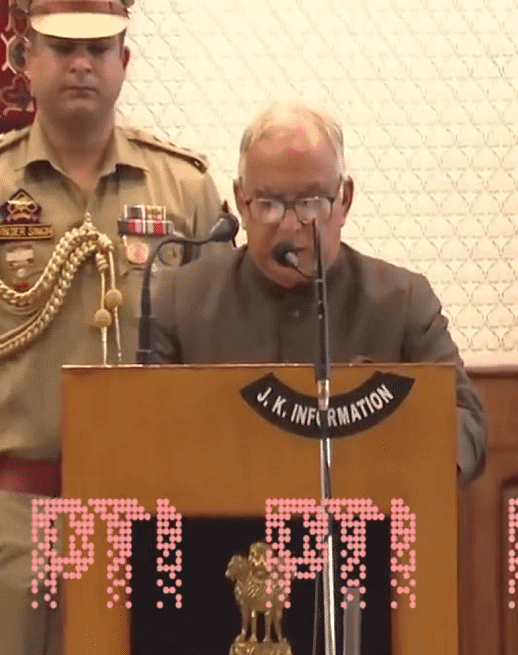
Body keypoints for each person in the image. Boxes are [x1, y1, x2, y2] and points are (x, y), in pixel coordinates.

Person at [0, 0, 226, 655]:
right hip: (25, 511)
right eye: (62, 47)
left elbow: (222, 364)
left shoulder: (186, 189)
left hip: (160, 508)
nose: (81, 63)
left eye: (97, 47)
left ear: (124, 60)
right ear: (28, 58)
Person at [149, 100, 489, 483]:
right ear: (241, 202)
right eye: (269, 204)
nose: (292, 225)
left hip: (364, 530)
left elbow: (467, 424)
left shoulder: (401, 301)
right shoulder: (181, 300)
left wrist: (398, 460)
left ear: (344, 199)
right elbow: (148, 433)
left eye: (312, 202)